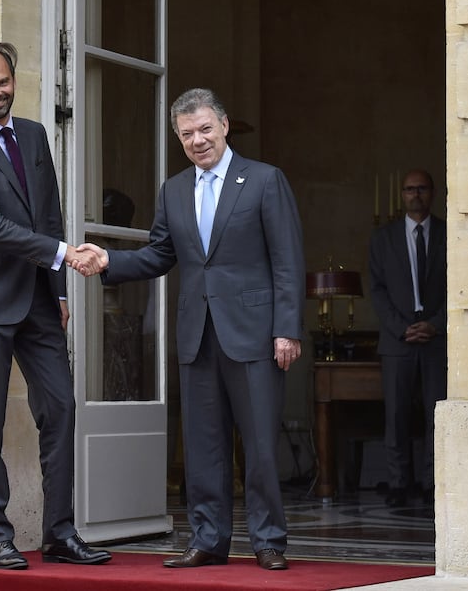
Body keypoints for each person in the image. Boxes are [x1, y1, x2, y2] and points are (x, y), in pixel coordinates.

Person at [75, 87, 305, 572]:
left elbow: (288, 261)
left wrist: (287, 329)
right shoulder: (174, 189)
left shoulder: (264, 180)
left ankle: (268, 542)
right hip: (197, 334)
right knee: (204, 446)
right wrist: (110, 260)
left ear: (223, 124)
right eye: (186, 134)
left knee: (261, 444)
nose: (197, 141)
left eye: (204, 129)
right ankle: (208, 539)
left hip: (255, 334)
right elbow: (161, 254)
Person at [0, 42, 110, 571]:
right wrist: (63, 254)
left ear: (15, 79)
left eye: (2, 82)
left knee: (60, 408)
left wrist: (58, 288)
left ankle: (59, 533)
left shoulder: (33, 133)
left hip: (38, 298)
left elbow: (48, 213)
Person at [368, 169, 446, 509]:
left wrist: (435, 324)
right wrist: (402, 327)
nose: (416, 194)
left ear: (432, 193)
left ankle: (433, 483)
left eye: (422, 189)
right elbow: (377, 290)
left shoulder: (447, 233)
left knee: (436, 415)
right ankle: (399, 483)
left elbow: (459, 287)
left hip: (436, 339)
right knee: (396, 416)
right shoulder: (383, 238)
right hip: (397, 340)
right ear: (402, 194)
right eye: (410, 189)